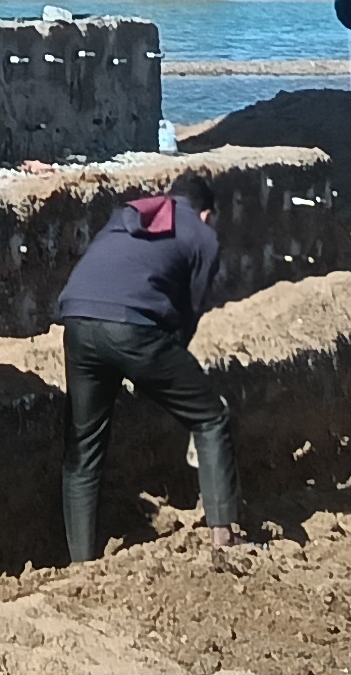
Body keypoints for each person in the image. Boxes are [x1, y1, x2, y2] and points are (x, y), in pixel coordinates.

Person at [55, 181, 241, 562]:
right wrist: (157, 375)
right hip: (133, 327)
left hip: (76, 319)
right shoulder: (203, 236)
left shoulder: (129, 214)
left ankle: (81, 563)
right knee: (210, 417)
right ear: (206, 213)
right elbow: (188, 317)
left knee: (84, 450)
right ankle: (224, 538)